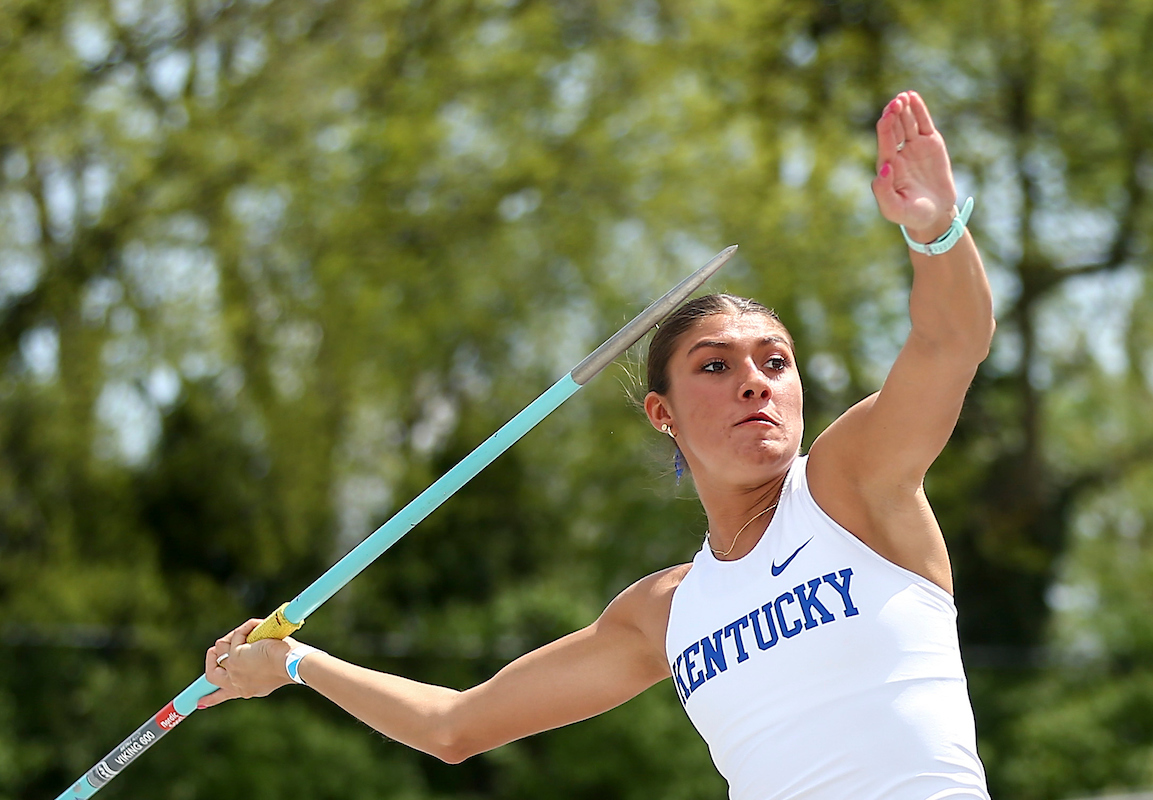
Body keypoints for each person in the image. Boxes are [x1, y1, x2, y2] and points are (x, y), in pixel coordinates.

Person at [200, 90, 994, 800]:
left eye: (774, 363)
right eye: (716, 366)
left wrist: (935, 231)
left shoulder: (851, 487)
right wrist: (297, 664)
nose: (755, 383)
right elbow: (454, 727)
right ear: (662, 413)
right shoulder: (665, 614)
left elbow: (950, 339)